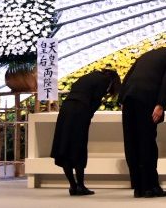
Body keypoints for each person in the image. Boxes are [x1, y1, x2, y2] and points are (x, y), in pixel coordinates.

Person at [119, 48, 166, 198]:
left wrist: (121, 99)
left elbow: (129, 75)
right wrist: (160, 104)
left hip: (129, 99)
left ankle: (138, 187)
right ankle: (150, 187)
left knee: (132, 143)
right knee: (147, 143)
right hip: (146, 99)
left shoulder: (149, 54)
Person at [50, 68, 121, 196]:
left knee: (65, 145)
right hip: (80, 111)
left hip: (66, 109)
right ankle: (81, 186)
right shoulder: (105, 81)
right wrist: (87, 117)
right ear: (114, 81)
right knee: (79, 147)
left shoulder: (90, 76)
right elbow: (95, 102)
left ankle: (73, 186)